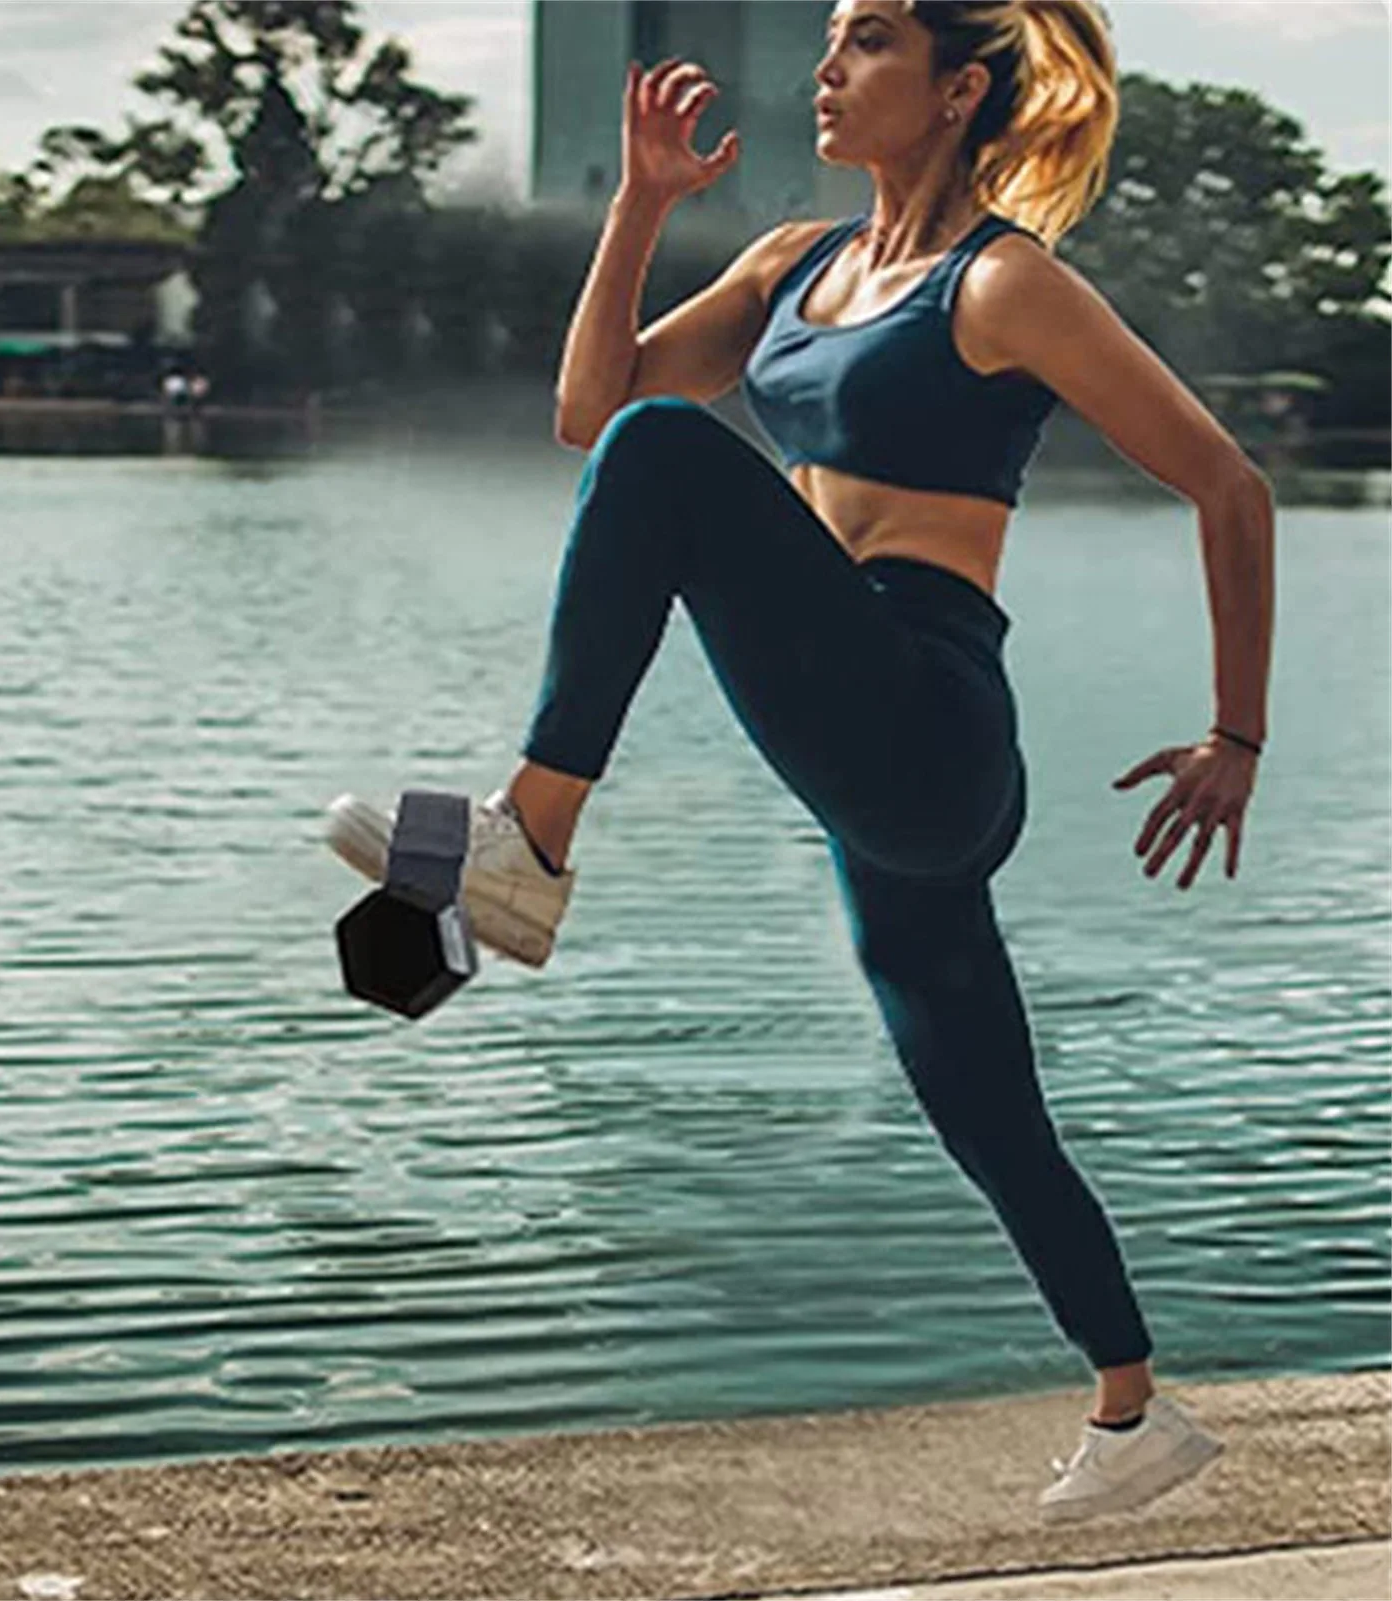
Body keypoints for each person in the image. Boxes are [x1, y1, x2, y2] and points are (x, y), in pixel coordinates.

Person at [326, 0, 1273, 1523]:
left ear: (960, 89)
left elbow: (1230, 483)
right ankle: (1134, 1414)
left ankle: (529, 846)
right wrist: (639, 207)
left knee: (671, 459)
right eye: (830, 37)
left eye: (872, 41)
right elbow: (589, 407)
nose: (828, 68)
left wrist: (1238, 733)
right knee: (978, 1097)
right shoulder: (792, 267)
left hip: (927, 711)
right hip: (861, 748)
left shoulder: (1008, 283)